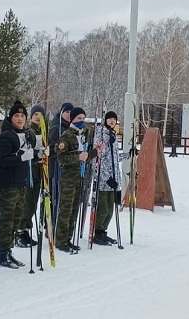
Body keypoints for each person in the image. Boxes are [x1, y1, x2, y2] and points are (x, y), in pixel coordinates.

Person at [0, 101, 36, 269]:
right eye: (16, 116)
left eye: (22, 116)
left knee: (16, 219)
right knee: (7, 219)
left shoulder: (25, 134)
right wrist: (21, 157)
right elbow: (3, 161)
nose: (20, 119)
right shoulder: (6, 135)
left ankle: (8, 249)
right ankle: (2, 252)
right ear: (11, 118)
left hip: (21, 183)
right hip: (8, 184)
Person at [54, 107, 96, 252]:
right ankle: (60, 240)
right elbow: (61, 158)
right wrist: (77, 157)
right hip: (68, 179)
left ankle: (68, 238)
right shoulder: (66, 136)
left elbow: (85, 157)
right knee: (65, 210)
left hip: (80, 179)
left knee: (74, 210)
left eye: (83, 119)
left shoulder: (83, 135)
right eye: (79, 119)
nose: (82, 122)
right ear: (72, 119)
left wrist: (95, 152)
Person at [91, 111, 123, 246]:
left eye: (114, 119)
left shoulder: (113, 136)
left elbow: (114, 158)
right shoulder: (101, 134)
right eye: (109, 119)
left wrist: (128, 155)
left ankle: (103, 231)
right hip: (104, 180)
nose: (112, 121)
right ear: (105, 120)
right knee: (103, 208)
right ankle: (97, 232)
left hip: (114, 179)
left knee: (110, 209)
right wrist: (106, 177)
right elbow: (99, 158)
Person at [20, 104, 47, 247]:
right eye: (35, 114)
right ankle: (20, 231)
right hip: (31, 171)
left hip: (40, 172)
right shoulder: (28, 131)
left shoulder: (44, 131)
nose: (38, 117)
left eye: (40, 114)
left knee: (34, 202)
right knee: (27, 202)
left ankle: (26, 228)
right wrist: (36, 155)